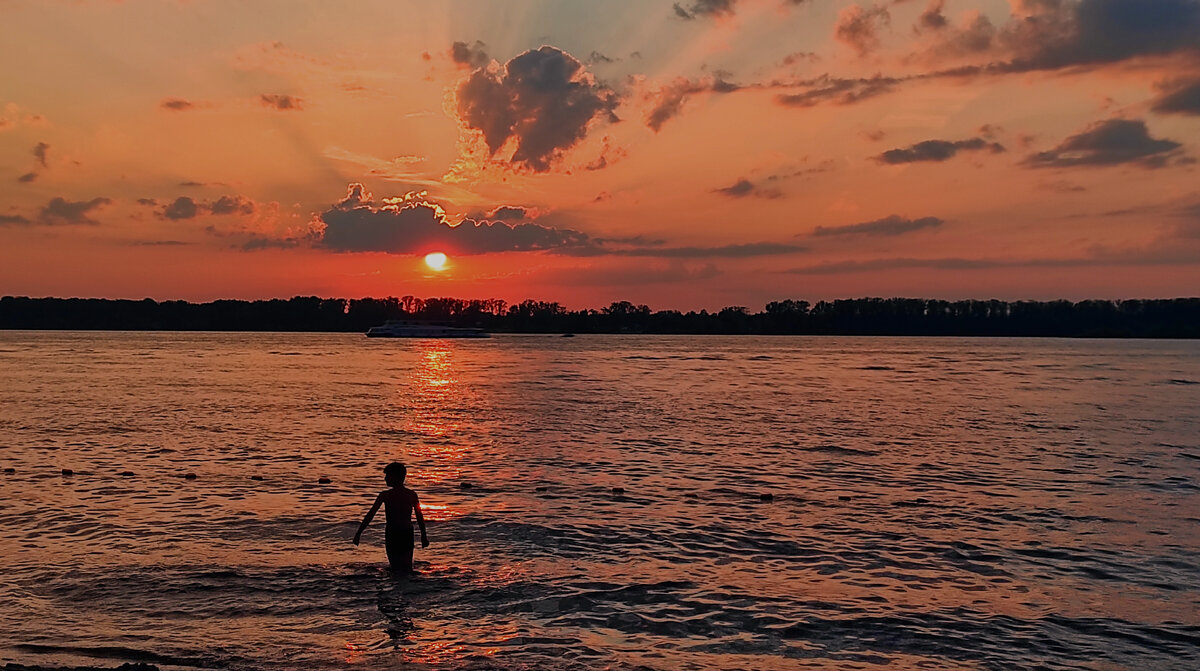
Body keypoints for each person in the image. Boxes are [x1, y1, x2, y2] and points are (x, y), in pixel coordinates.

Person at [353, 462, 429, 573]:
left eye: (387, 476)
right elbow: (420, 517)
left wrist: (358, 533)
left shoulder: (385, 495)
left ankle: (396, 587)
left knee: (395, 568)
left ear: (396, 477)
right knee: (407, 568)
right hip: (405, 533)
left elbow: (370, 515)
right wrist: (424, 536)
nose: (385, 479)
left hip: (394, 533)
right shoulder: (411, 494)